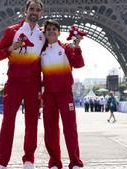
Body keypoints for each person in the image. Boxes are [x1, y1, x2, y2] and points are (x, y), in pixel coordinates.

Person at [0, 0, 45, 168]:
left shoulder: (43, 35)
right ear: (25, 10)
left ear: (41, 14)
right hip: (14, 83)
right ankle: (2, 162)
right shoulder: (12, 31)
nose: (34, 12)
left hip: (33, 84)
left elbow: (54, 53)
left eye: (37, 10)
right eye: (32, 9)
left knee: (32, 122)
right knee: (8, 121)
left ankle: (29, 159)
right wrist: (10, 48)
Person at [41, 19, 84, 169]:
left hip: (65, 94)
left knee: (70, 128)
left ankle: (75, 161)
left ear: (59, 33)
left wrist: (77, 47)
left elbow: (78, 64)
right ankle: (54, 162)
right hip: (49, 95)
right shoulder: (41, 51)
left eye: (54, 29)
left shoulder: (67, 48)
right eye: (48, 30)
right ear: (45, 33)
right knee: (50, 130)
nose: (51, 31)